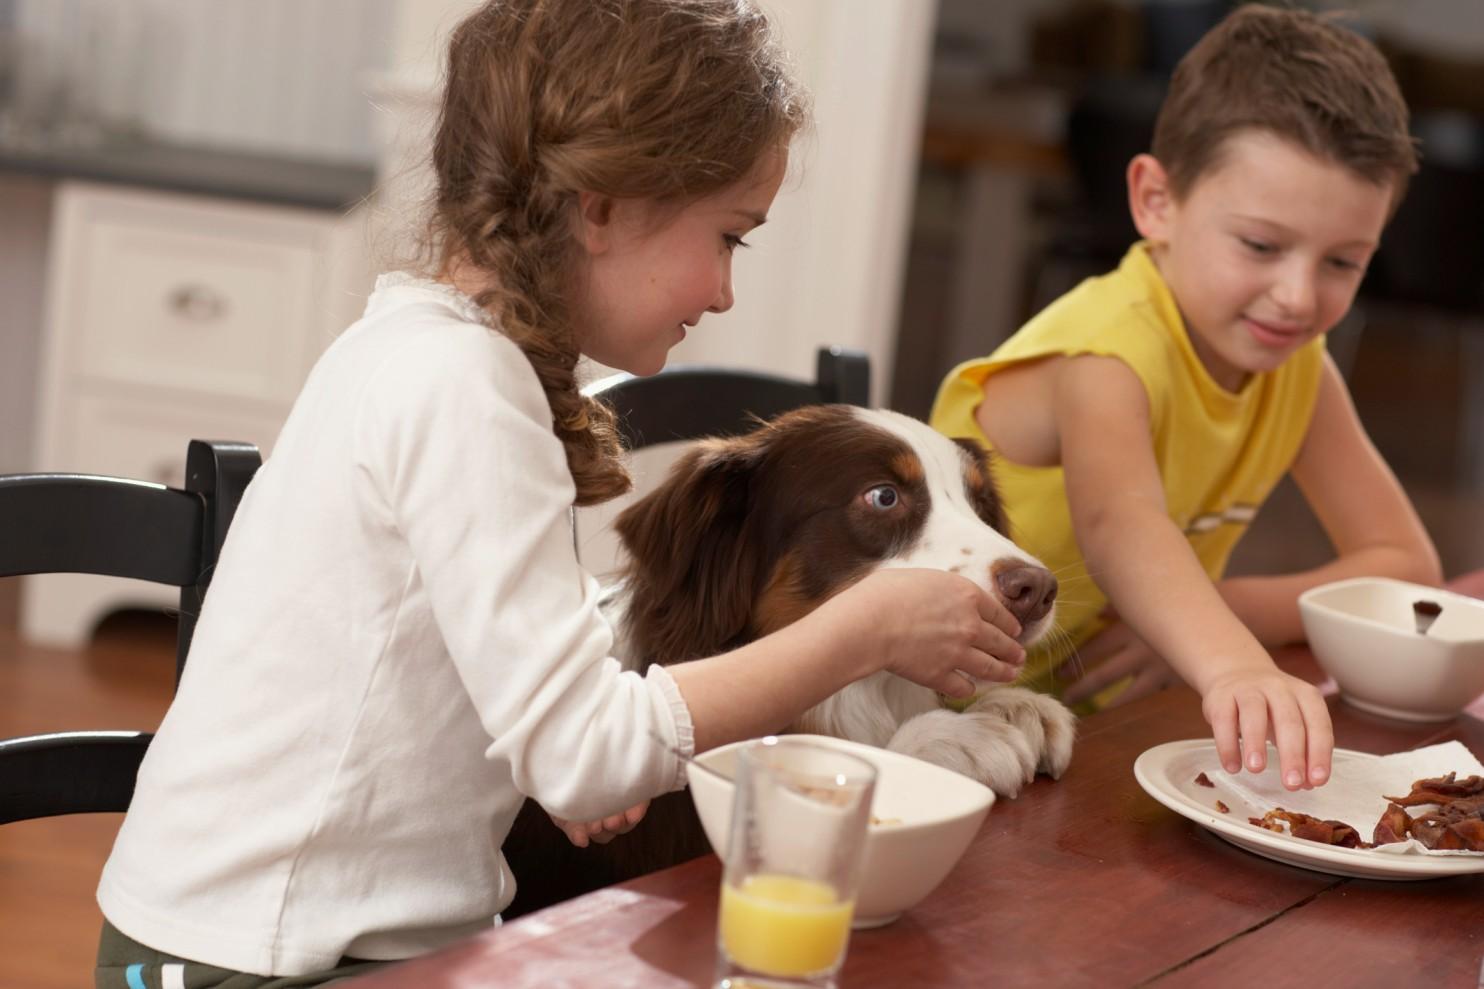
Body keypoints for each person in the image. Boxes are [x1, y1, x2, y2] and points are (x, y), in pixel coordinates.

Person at [93, 2, 1031, 985]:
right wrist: (865, 629)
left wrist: (561, 740)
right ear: (603, 206)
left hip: (263, 936)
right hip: (257, 956)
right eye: (728, 237)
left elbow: (495, 665)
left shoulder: (420, 349)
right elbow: (586, 755)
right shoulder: (462, 389)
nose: (722, 291)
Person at [931, 5, 1442, 795]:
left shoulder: (1299, 370)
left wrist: (1209, 615)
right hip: (945, 720)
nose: (1298, 297)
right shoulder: (1108, 351)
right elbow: (1120, 527)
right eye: (1262, 246)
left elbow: (1405, 567)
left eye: (1344, 261)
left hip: (1101, 730)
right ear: (1156, 201)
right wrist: (1231, 656)